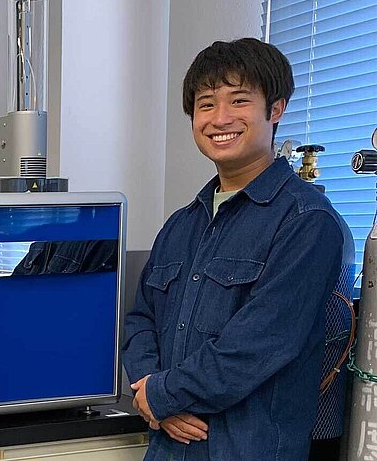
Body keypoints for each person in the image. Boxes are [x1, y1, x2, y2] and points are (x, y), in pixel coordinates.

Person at [122, 38, 349, 460]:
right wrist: (151, 393)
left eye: (239, 100)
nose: (219, 118)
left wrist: (164, 394)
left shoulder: (306, 221)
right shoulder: (181, 224)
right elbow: (140, 320)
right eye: (206, 104)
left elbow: (259, 345)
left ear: (276, 109)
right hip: (169, 448)